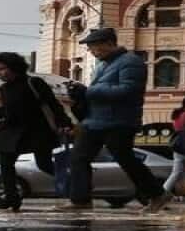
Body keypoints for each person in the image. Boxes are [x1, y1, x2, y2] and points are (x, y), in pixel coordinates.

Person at [68, 28, 170, 212]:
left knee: (125, 158)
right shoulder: (102, 65)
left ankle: (157, 194)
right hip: (95, 120)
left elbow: (129, 90)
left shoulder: (131, 62)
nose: (91, 51)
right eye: (90, 47)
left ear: (109, 43)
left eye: (94, 46)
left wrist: (89, 91)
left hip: (120, 121)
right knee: (78, 158)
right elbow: (99, 91)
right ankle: (80, 200)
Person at [0, 52, 66, 211]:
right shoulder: (3, 88)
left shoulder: (34, 82)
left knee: (44, 164)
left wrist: (65, 123)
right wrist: (2, 123)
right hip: (12, 131)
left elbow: (53, 104)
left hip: (37, 131)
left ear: (14, 67)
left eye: (2, 69)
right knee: (5, 163)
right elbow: (7, 111)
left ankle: (77, 185)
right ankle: (11, 199)